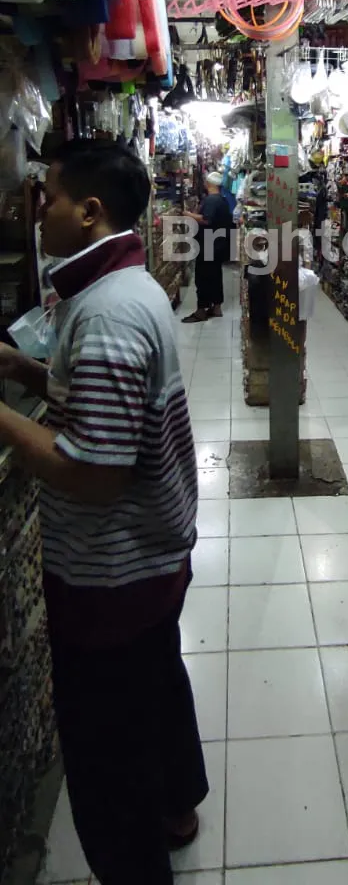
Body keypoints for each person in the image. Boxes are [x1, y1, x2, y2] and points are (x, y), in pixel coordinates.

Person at [0, 141, 207, 885]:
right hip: (151, 557)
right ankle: (178, 803)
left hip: (114, 576)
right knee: (156, 683)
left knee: (107, 765)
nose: (38, 210)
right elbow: (107, 409)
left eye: (49, 196)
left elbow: (94, 476)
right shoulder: (122, 287)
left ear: (89, 212)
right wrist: (29, 372)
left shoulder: (108, 313)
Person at [182, 169, 233, 323]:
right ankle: (216, 307)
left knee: (203, 277)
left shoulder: (211, 200)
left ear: (209, 183)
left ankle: (201, 310)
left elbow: (206, 219)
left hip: (208, 245)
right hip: (218, 245)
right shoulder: (222, 200)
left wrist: (188, 214)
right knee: (215, 276)